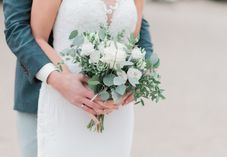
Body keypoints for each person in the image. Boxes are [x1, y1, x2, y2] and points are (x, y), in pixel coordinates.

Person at [3, 0, 154, 157]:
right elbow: (16, 27)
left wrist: (139, 73)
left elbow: (134, 22)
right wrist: (57, 78)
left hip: (114, 107)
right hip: (45, 90)